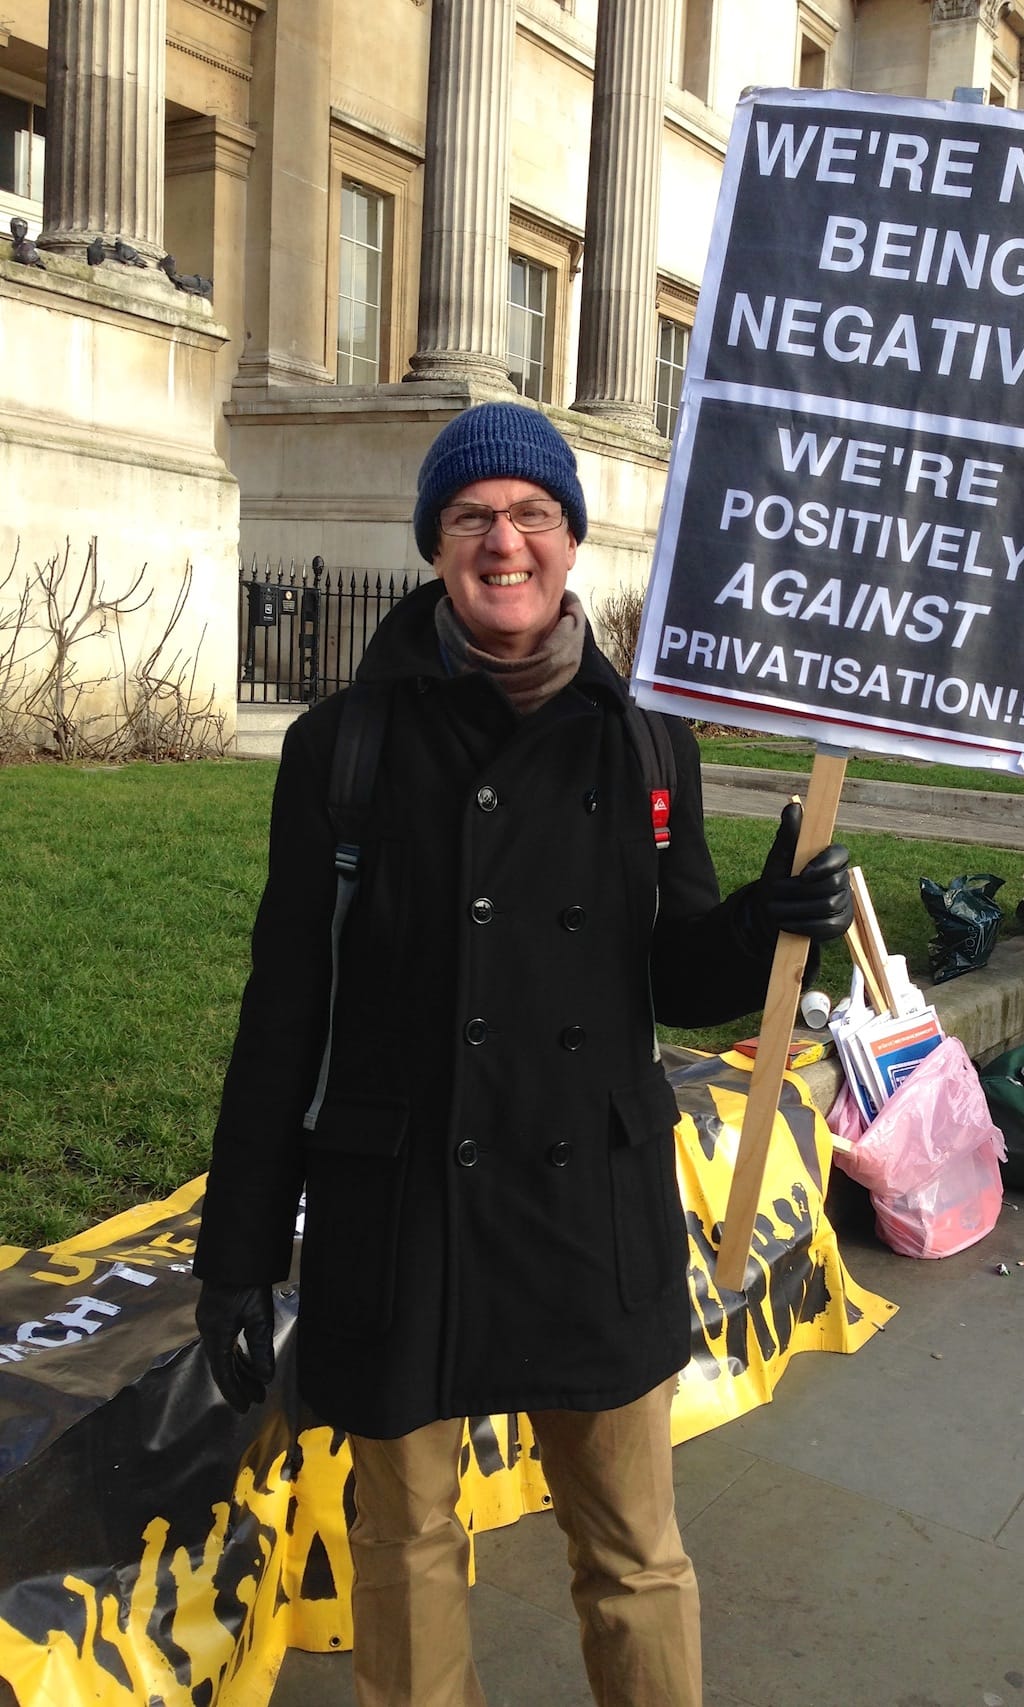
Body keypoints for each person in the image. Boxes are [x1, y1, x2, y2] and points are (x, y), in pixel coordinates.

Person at [192, 401, 854, 1707]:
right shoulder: (347, 743)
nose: (506, 540)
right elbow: (289, 1005)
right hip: (403, 1205)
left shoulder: (647, 736)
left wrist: (769, 924)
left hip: (585, 1205)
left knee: (634, 1552)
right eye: (473, 516)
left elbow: (679, 969)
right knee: (409, 1545)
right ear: (436, 545)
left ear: (571, 539)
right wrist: (238, 1251)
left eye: (533, 513)